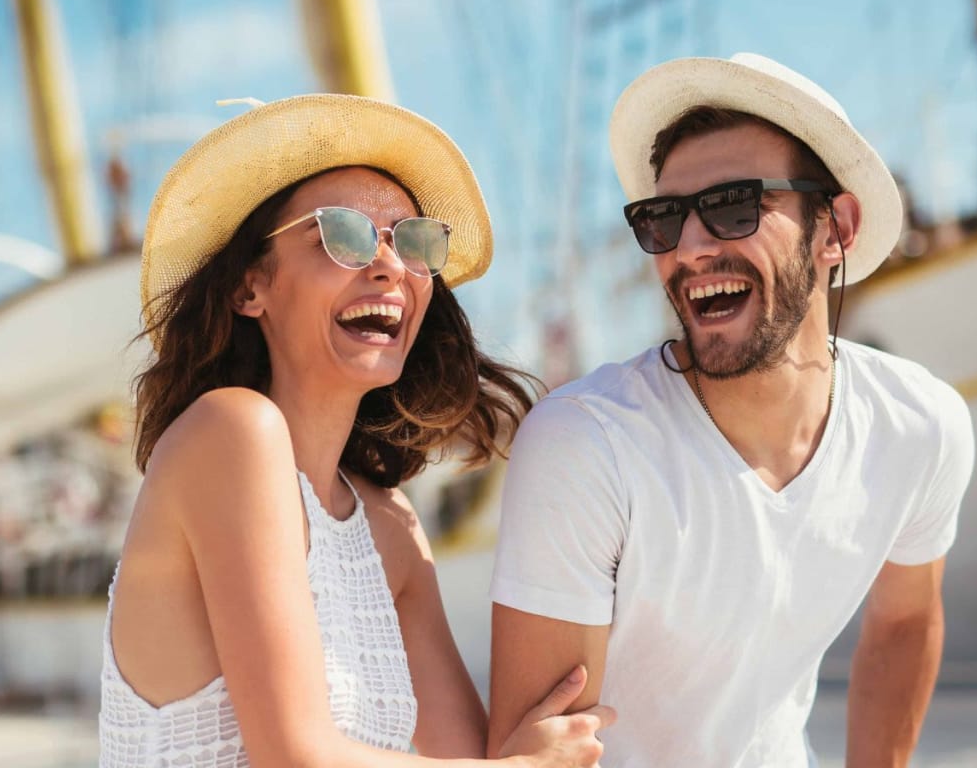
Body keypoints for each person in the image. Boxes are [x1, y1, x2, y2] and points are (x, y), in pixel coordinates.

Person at [488, 54, 976, 767]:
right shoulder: (588, 446)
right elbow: (534, 749)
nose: (689, 248)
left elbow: (905, 620)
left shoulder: (919, 425)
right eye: (662, 219)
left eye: (732, 206)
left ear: (835, 226)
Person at [102, 94, 613, 768]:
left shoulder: (387, 528)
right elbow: (294, 756)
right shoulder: (229, 431)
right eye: (342, 235)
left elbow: (469, 758)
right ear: (250, 287)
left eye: (416, 242)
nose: (390, 265)